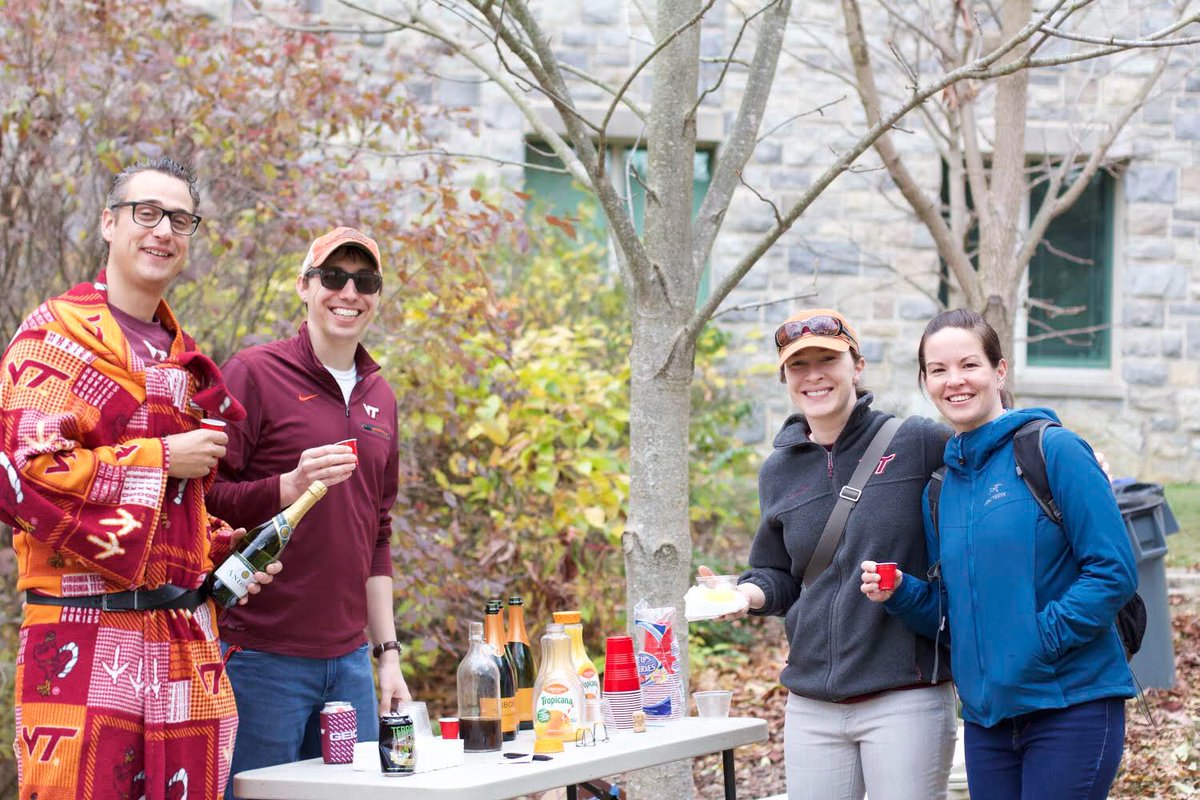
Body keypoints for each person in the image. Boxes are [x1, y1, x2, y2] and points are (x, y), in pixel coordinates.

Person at [0, 157, 279, 800]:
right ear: (108, 223)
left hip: (185, 643)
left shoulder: (183, 363)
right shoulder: (52, 341)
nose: (163, 231)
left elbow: (178, 514)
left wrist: (223, 553)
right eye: (145, 213)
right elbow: (25, 476)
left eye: (180, 219)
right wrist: (159, 458)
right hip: (81, 631)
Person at [861, 308, 1136, 800]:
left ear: (999, 371)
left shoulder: (1056, 451)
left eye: (969, 365)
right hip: (988, 723)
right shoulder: (940, 488)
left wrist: (1039, 638)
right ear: (925, 381)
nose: (955, 381)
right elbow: (952, 616)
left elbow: (1113, 571)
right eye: (938, 370)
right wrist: (902, 593)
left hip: (1072, 707)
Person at [706, 308, 957, 800]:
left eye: (829, 359)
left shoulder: (917, 442)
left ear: (856, 367)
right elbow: (779, 574)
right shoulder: (778, 470)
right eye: (799, 365)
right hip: (811, 705)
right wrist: (745, 593)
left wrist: (1057, 453)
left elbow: (990, 457)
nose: (814, 374)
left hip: (904, 697)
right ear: (785, 378)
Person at [207, 227, 410, 794]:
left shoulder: (381, 396)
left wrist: (386, 655)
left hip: (349, 667)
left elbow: (378, 533)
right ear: (304, 286)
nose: (349, 292)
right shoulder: (254, 373)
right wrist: (285, 486)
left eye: (364, 281)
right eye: (333, 277)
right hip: (260, 658)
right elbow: (202, 501)